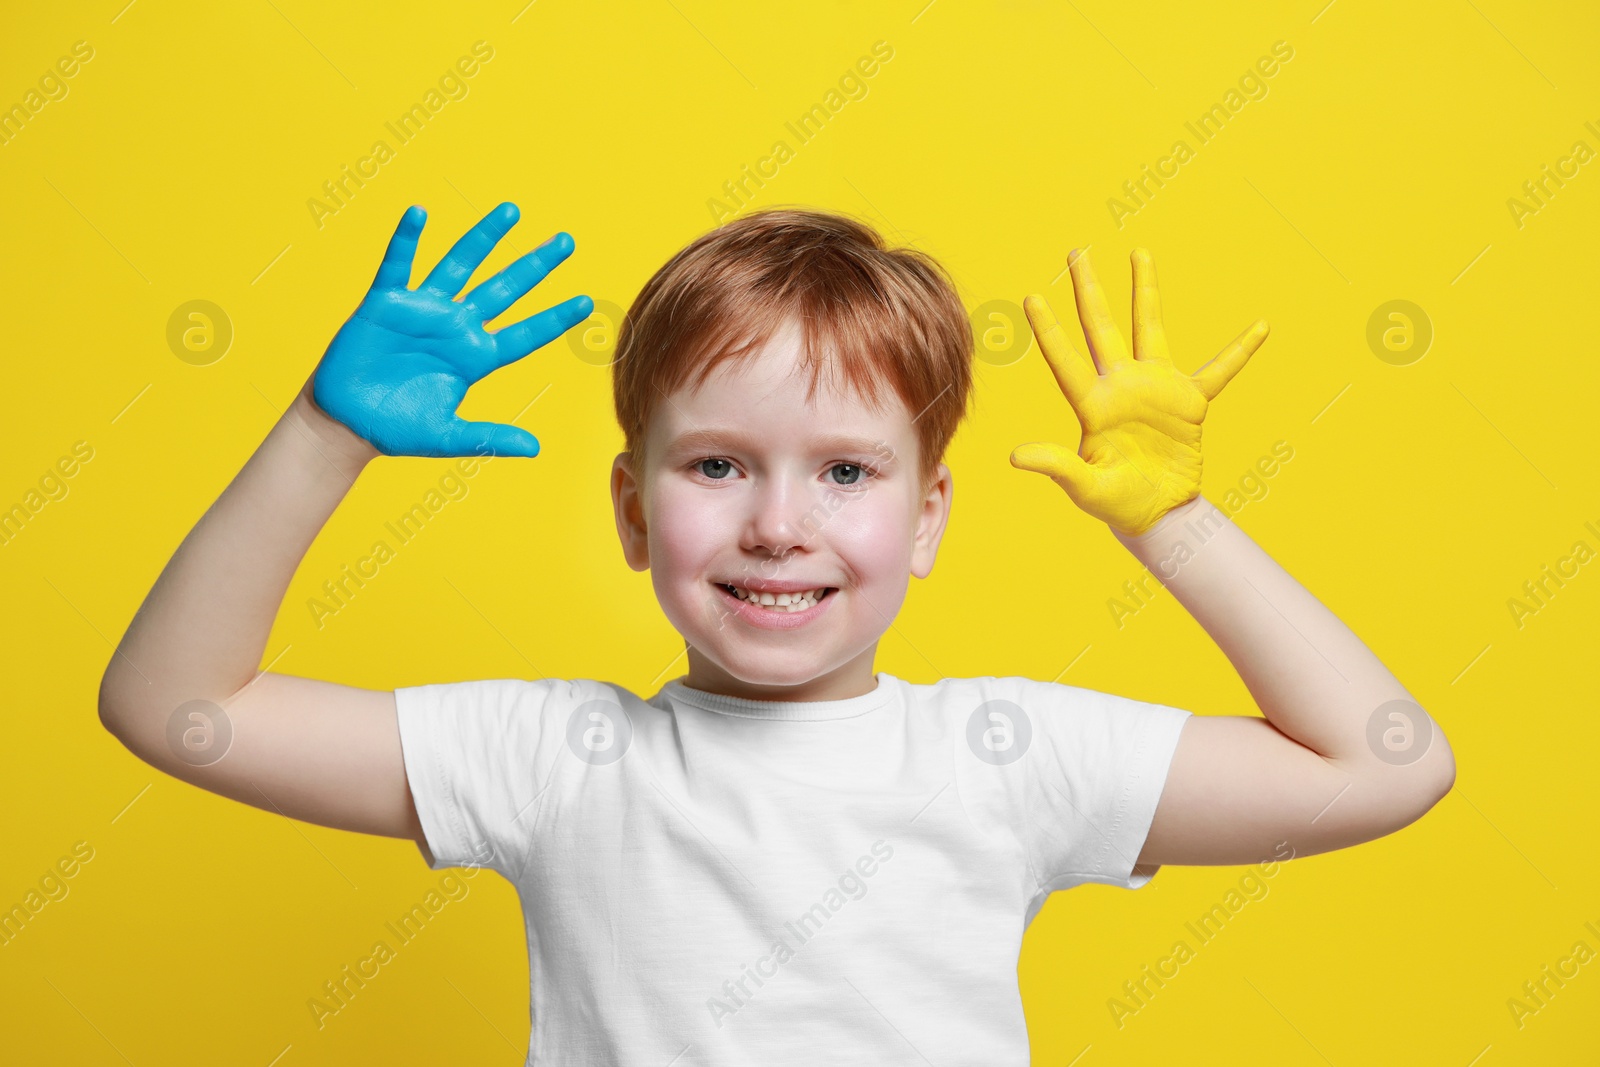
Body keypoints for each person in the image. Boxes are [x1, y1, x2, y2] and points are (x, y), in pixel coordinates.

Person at [98, 201, 1455, 1064]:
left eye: (847, 474)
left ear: (929, 522)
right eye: (717, 467)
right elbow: (172, 708)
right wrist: (320, 438)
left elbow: (1384, 764)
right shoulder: (555, 756)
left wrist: (1172, 524)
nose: (778, 524)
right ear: (633, 510)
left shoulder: (1008, 751)